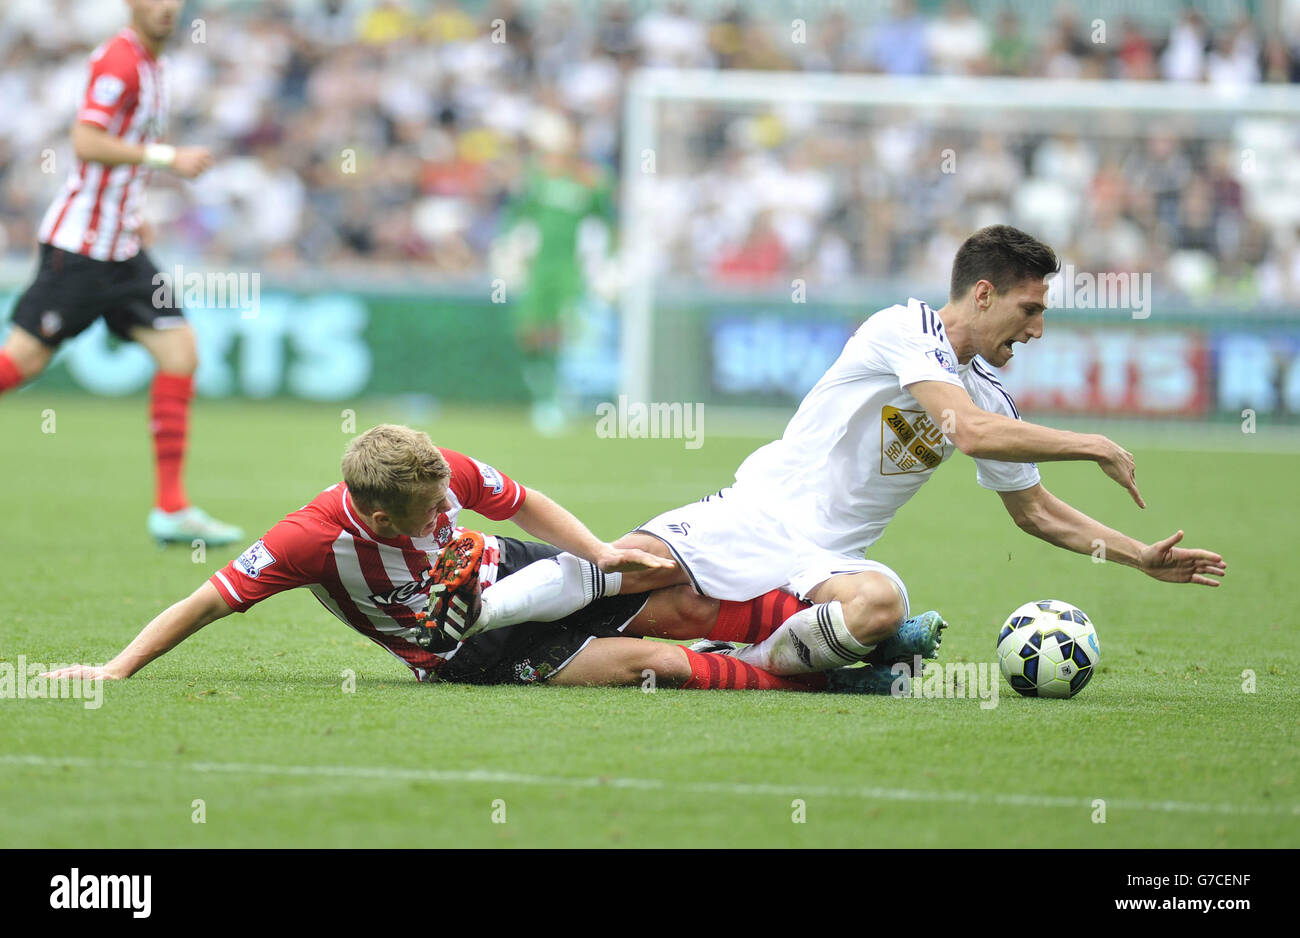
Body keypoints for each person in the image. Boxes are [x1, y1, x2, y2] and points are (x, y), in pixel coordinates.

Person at [443, 225, 1227, 675]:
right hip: (760, 510)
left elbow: (1036, 515)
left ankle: (750, 668)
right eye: (1029, 307)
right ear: (982, 294)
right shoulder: (904, 328)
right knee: (632, 569)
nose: (1038, 328)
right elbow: (964, 432)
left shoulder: (991, 392)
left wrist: (1138, 557)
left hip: (827, 556)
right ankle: (473, 618)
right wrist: (1090, 441)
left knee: (882, 605)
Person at [42, 425, 934, 693]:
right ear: (379, 512)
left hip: (514, 572)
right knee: (663, 661)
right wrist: (117, 670)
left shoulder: (439, 472)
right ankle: (838, 679)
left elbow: (526, 501)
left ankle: (859, 635)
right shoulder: (307, 541)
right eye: (431, 509)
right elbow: (204, 600)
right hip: (459, 650)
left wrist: (598, 552)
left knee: (678, 597)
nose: (446, 504)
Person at [0, 0, 241, 546]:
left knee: (181, 353)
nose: (166, 7)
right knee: (21, 362)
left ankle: (172, 509)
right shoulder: (121, 62)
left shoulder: (155, 65)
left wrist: (132, 215)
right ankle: (173, 508)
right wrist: (167, 158)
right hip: (82, 249)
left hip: (122, 246)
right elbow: (86, 142)